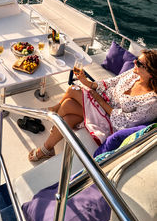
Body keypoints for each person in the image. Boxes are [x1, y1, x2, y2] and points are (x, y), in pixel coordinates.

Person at [29, 49, 157, 161]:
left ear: (151, 73)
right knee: (68, 107)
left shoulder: (151, 102)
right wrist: (88, 83)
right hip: (102, 102)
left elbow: (125, 122)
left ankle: (53, 115)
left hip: (110, 120)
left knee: (73, 90)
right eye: (136, 60)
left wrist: (99, 100)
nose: (134, 63)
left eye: (139, 63)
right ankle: (48, 148)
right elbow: (112, 81)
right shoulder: (134, 74)